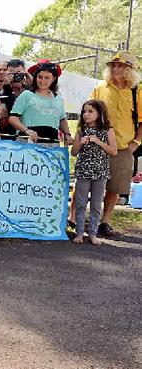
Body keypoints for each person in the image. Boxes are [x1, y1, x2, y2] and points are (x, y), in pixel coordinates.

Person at [88, 52, 142, 237]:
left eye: (121, 66)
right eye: (113, 65)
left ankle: (104, 222)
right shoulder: (101, 87)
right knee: (87, 183)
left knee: (115, 187)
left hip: (123, 147)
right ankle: (75, 219)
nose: (116, 69)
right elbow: (88, 112)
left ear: (129, 70)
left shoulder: (137, 91)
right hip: (98, 144)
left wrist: (136, 143)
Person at [71, 99, 117, 245]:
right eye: (84, 111)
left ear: (100, 113)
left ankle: (92, 233)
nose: (86, 114)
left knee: (96, 204)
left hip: (100, 173)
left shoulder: (108, 130)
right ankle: (79, 232)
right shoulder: (81, 131)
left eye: (90, 111)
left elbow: (113, 151)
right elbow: (74, 152)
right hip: (84, 172)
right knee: (80, 202)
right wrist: (80, 142)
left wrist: (98, 142)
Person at [8, 59, 72, 147]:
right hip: (28, 144)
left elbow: (62, 119)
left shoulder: (57, 98)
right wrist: (26, 130)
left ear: (53, 79)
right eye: (40, 77)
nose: (42, 81)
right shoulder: (27, 95)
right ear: (35, 77)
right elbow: (12, 118)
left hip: (52, 146)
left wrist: (67, 134)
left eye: (47, 78)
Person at [0, 59, 31, 140]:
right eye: (12, 74)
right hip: (9, 139)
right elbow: (7, 113)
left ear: (25, 74)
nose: (16, 76)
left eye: (19, 73)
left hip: (28, 137)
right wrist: (6, 87)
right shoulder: (0, 94)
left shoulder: (32, 93)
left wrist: (32, 85)